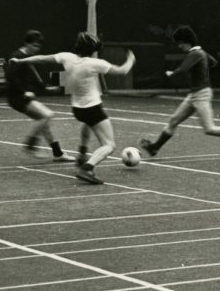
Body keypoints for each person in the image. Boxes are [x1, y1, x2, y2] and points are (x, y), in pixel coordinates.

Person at [11, 32, 135, 185]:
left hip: (77, 110)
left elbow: (42, 59)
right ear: (93, 50)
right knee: (109, 145)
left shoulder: (67, 57)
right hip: (93, 108)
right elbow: (122, 70)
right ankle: (87, 168)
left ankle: (82, 153)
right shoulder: (96, 64)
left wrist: (20, 60)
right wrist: (131, 60)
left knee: (89, 124)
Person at [139, 26, 220, 158]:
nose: (179, 46)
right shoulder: (200, 52)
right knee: (173, 121)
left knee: (209, 128)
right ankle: (154, 148)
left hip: (201, 94)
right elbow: (213, 62)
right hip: (194, 94)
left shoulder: (194, 54)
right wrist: (200, 67)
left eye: (180, 43)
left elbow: (182, 70)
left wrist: (171, 74)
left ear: (187, 42)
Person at [4, 30, 74, 162]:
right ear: (26, 43)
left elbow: (33, 77)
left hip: (23, 96)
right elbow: (10, 76)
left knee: (44, 123)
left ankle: (58, 153)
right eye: (34, 46)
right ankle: (30, 145)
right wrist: (23, 91)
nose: (36, 49)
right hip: (17, 97)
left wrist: (45, 88)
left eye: (38, 47)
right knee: (47, 115)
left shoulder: (26, 58)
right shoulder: (16, 56)